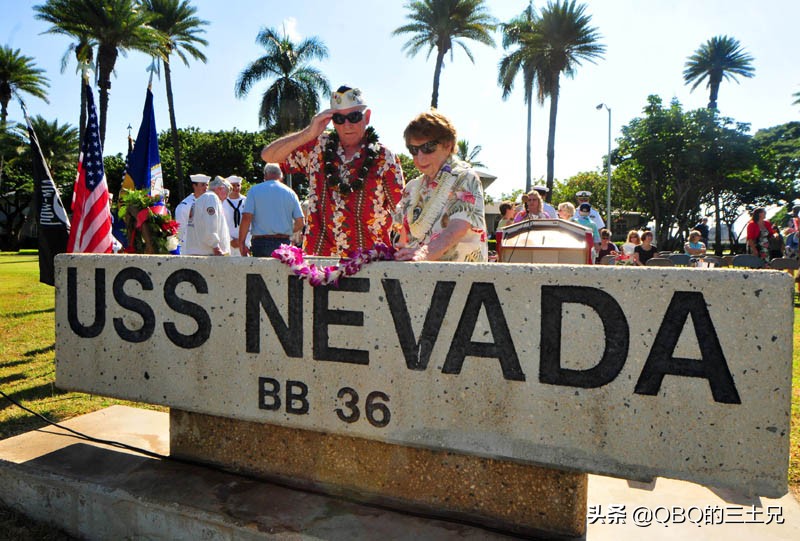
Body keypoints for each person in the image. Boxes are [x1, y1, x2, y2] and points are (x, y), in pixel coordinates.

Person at [260, 85, 403, 257]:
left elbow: (402, 210)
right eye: (339, 119)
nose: (347, 125)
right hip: (318, 262)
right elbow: (269, 156)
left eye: (354, 117)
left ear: (367, 117)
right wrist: (309, 133)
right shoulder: (317, 148)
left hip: (369, 263)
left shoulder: (384, 157)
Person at [393, 110, 487, 262]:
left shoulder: (464, 178)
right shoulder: (411, 188)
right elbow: (399, 233)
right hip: (417, 279)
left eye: (428, 147)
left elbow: (458, 227)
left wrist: (424, 253)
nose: (420, 157)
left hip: (461, 278)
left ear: (448, 145)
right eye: (414, 150)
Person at [239, 163, 305, 257]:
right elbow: (300, 222)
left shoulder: (254, 190)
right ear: (281, 176)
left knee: (261, 271)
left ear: (265, 175)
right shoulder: (291, 193)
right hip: (283, 243)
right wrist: (286, 231)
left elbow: (247, 217)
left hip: (260, 243)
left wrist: (241, 243)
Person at [183, 177, 231, 256]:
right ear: (220, 188)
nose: (226, 197)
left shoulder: (202, 198)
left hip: (199, 251)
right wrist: (216, 247)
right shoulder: (211, 198)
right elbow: (210, 225)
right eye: (227, 193)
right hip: (207, 253)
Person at [175, 174, 209, 250]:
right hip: (189, 246)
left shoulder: (209, 202)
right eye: (203, 185)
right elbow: (180, 229)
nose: (206, 188)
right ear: (194, 186)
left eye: (207, 185)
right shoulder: (185, 205)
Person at [223, 175, 249, 257]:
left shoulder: (247, 201)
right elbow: (220, 223)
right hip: (227, 243)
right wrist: (230, 240)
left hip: (244, 243)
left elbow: (251, 223)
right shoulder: (222, 202)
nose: (236, 188)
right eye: (233, 185)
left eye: (238, 185)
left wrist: (244, 241)